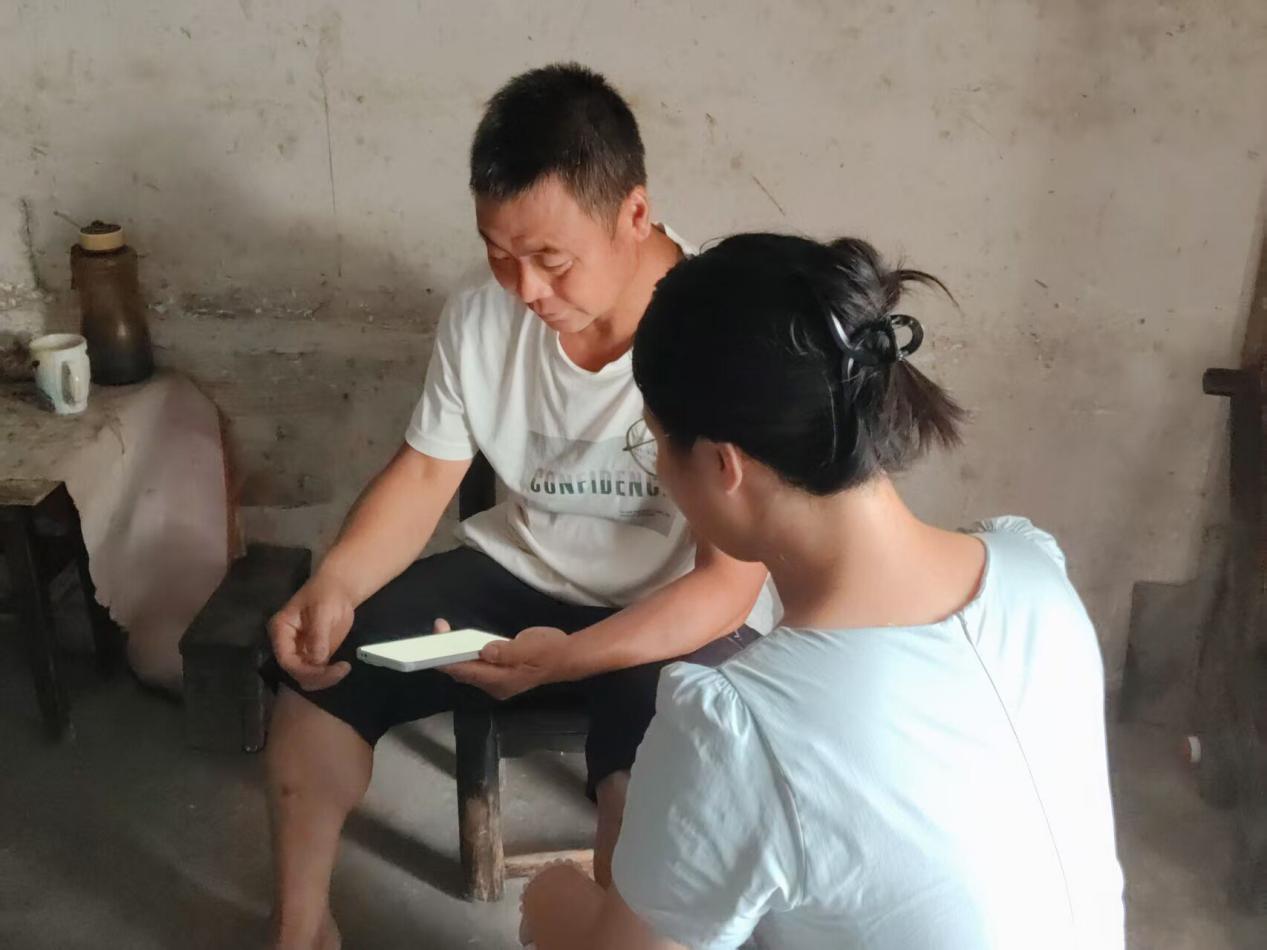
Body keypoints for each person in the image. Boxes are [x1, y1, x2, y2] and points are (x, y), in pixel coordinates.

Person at [264, 65, 772, 950]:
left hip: (671, 609)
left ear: (635, 214)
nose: (524, 288)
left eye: (550, 260)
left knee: (642, 799)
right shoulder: (480, 316)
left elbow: (727, 586)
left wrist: (570, 658)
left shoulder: (717, 331)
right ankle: (300, 931)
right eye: (499, 253)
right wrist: (336, 582)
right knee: (323, 675)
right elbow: (425, 474)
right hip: (520, 574)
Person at [520, 234, 1125, 949]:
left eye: (654, 443)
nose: (659, 470)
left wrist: (552, 900)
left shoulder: (740, 725)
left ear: (723, 465)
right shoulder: (1033, 573)